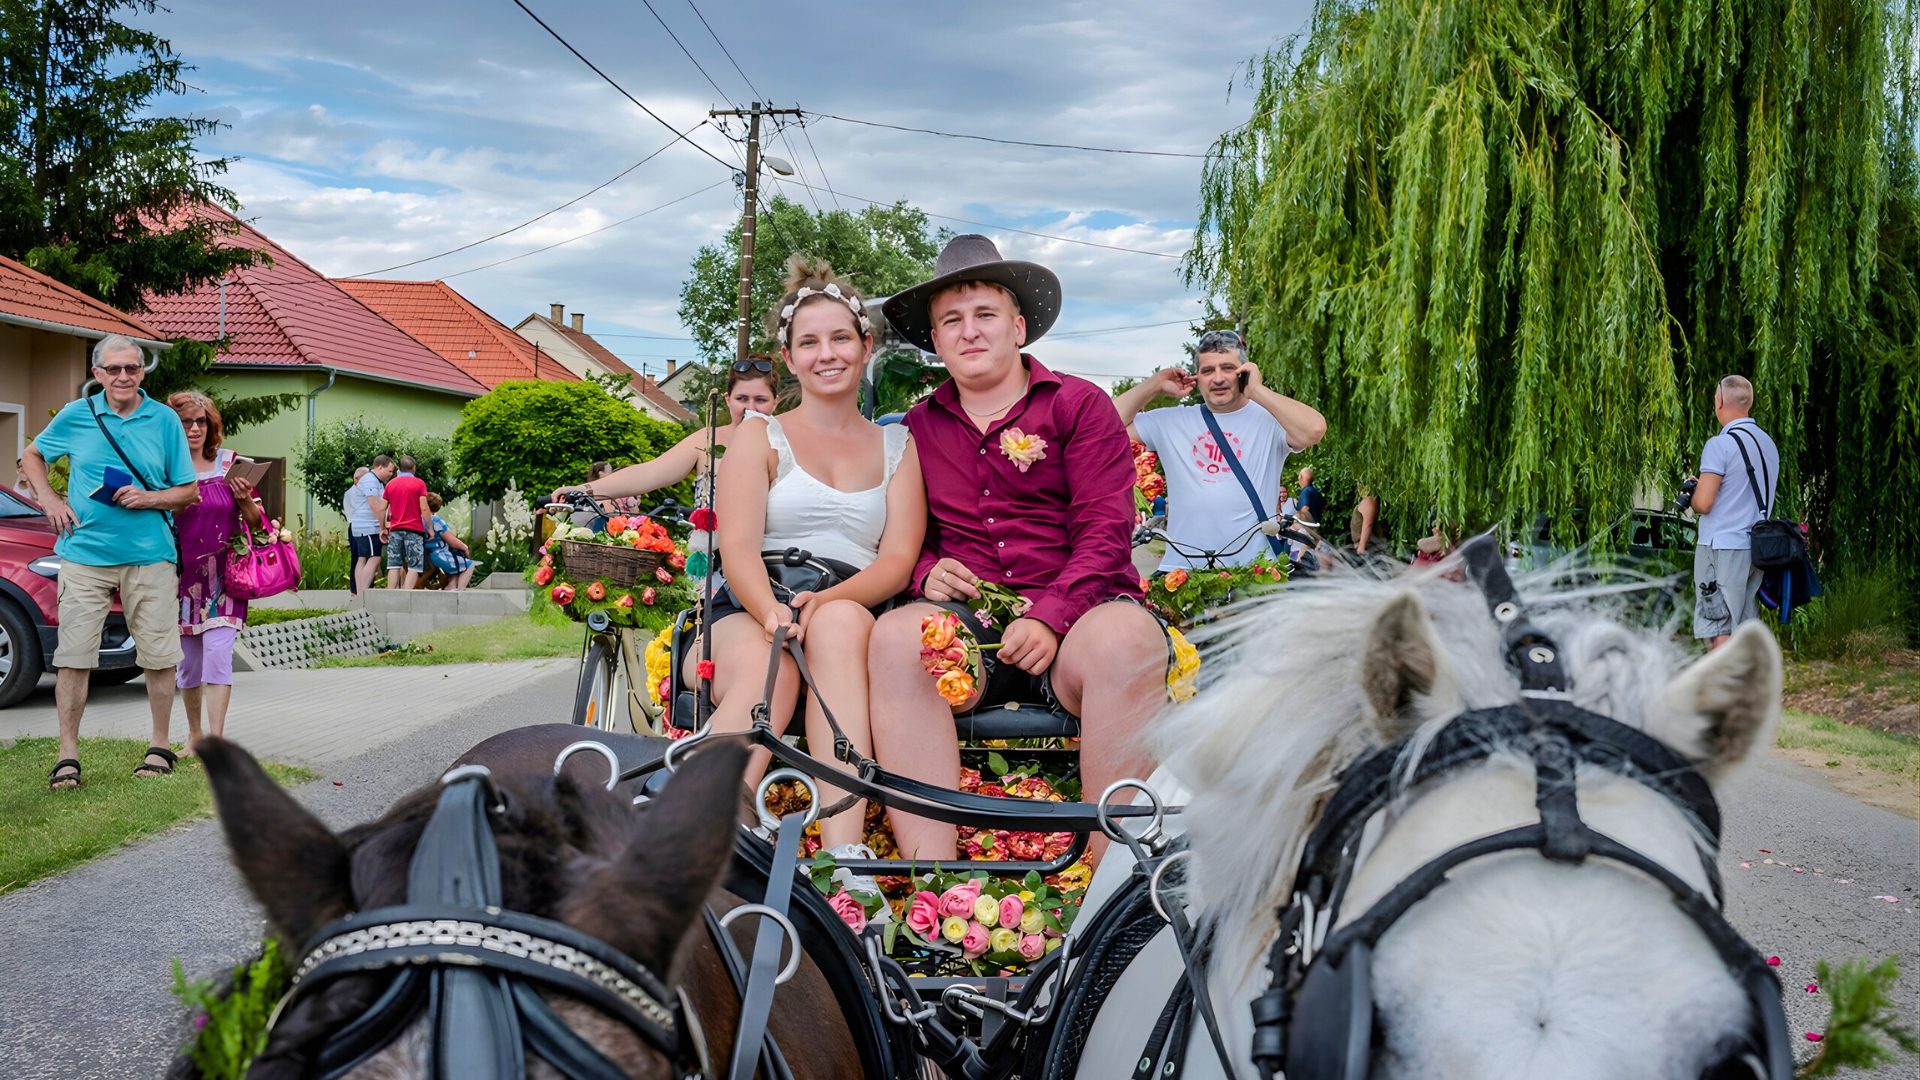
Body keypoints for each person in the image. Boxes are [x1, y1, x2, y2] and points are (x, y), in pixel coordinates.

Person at [869, 234, 1170, 863]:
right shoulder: (915, 428)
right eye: (951, 320)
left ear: (1018, 327)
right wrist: (927, 570)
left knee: (1128, 642)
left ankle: (1108, 887)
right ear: (934, 338)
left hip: (1081, 613)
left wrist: (1051, 613)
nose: (969, 331)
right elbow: (905, 537)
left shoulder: (1079, 404)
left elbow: (1105, 531)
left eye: (985, 315)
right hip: (972, 621)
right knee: (897, 639)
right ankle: (934, 874)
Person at [707, 256, 924, 870]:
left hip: (850, 593)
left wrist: (825, 601)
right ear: (790, 357)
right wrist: (773, 611)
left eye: (839, 338)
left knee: (840, 626)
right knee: (764, 671)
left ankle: (844, 856)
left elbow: (900, 557)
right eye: (809, 342)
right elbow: (738, 547)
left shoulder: (897, 445)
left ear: (865, 346)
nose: (825, 353)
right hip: (756, 594)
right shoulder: (759, 435)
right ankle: (701, 822)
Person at [20, 335, 199, 788]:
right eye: (114, 369)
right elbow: (33, 455)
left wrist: (147, 497)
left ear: (142, 372)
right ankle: (67, 756)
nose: (124, 377)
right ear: (97, 373)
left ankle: (159, 746)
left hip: (150, 556)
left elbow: (188, 491)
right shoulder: (77, 415)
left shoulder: (163, 421)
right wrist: (49, 500)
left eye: (132, 369)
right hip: (83, 555)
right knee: (73, 657)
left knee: (159, 657)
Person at [1114, 330, 1326, 569]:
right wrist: (1154, 385)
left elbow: (1314, 430)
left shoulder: (1269, 421)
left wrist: (1257, 391)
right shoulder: (1171, 421)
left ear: (1244, 372)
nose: (1217, 378)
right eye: (1207, 370)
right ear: (1197, 377)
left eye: (1227, 368)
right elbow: (1101, 423)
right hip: (1182, 571)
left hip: (1255, 571)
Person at [168, 391, 264, 751]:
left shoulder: (231, 464)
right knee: (189, 664)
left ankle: (215, 740)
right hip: (179, 579)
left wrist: (242, 499)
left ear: (212, 426)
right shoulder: (166, 469)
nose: (194, 429)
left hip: (224, 577)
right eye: (186, 422)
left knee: (218, 654)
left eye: (201, 421)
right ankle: (194, 737)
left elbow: (256, 521)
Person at [552, 360, 780, 510]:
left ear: (775, 402)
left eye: (761, 400)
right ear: (727, 399)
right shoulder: (706, 439)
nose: (750, 408)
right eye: (742, 399)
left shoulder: (786, 445)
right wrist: (583, 490)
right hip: (713, 563)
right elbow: (649, 473)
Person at [1686, 375, 1779, 649]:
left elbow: (1703, 504)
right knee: (1744, 626)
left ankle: (1722, 691)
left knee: (1720, 626)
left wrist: (1693, 492)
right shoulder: (1767, 445)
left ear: (1720, 401)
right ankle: (1745, 689)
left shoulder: (1720, 445)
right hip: (1755, 550)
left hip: (1721, 548)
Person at [345, 455, 394, 594]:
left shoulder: (374, 481)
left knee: (362, 558)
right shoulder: (370, 481)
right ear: (380, 467)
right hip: (368, 526)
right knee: (375, 557)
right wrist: (383, 526)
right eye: (389, 471)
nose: (391, 474)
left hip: (360, 525)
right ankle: (363, 593)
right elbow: (375, 505)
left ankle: (359, 592)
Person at [382, 455, 430, 589]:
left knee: (393, 564)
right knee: (414, 565)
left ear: (400, 468)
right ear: (414, 468)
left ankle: (390, 594)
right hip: (414, 530)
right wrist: (430, 528)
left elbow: (382, 508)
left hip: (395, 530)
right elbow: (424, 508)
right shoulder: (419, 483)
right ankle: (406, 594)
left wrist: (383, 527)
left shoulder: (390, 484)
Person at [424, 492, 475, 589]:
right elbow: (452, 541)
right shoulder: (436, 520)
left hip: (427, 556)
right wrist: (465, 547)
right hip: (439, 555)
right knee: (470, 564)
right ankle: (459, 590)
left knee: (455, 561)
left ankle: (451, 586)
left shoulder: (420, 520)